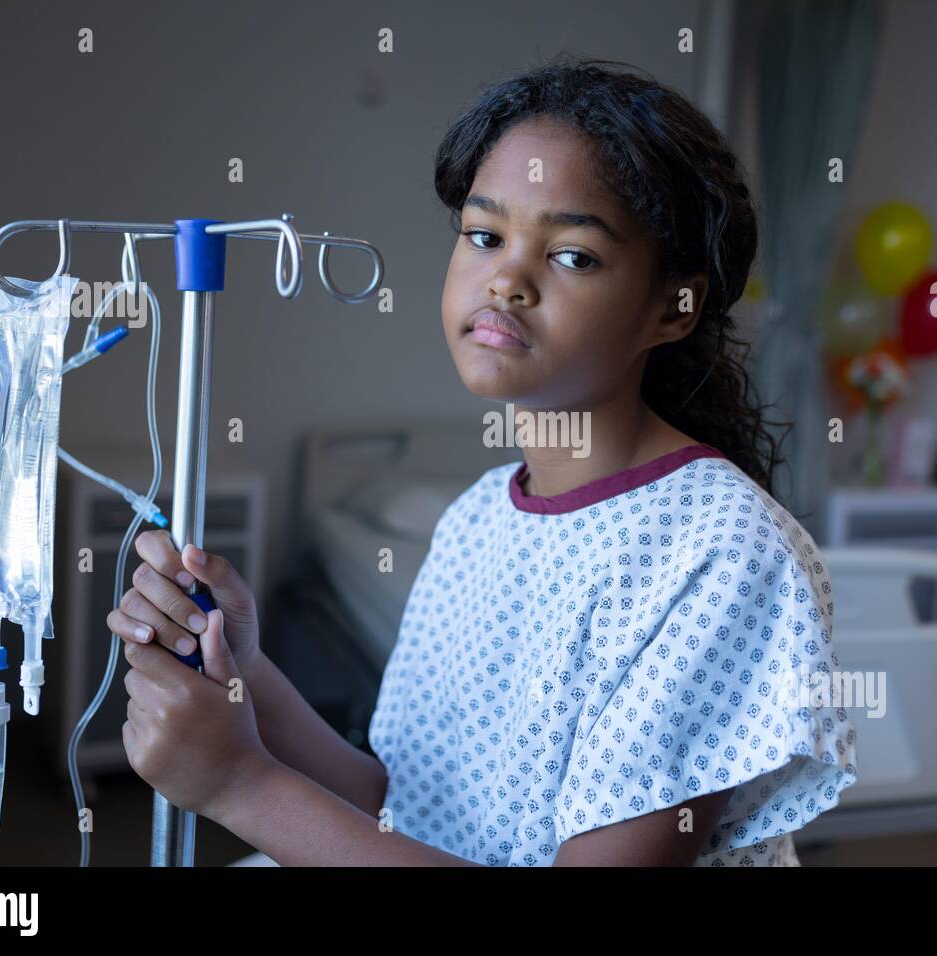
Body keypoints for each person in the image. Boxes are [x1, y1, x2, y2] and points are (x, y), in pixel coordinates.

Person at [108, 56, 859, 866]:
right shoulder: (478, 516)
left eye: (572, 255)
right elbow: (400, 808)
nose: (506, 279)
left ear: (673, 310)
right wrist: (244, 671)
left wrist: (239, 786)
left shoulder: (721, 554)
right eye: (485, 235)